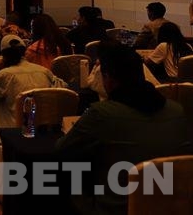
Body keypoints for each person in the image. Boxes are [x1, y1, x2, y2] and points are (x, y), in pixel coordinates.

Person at [55, 41, 188, 215]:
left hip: (114, 208)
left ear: (108, 78)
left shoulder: (101, 114)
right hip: (171, 206)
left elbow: (62, 149)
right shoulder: (177, 111)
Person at [0, 35, 67, 162]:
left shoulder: (4, 75)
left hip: (11, 131)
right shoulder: (44, 71)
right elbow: (62, 87)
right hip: (43, 131)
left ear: (3, 56)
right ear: (24, 52)